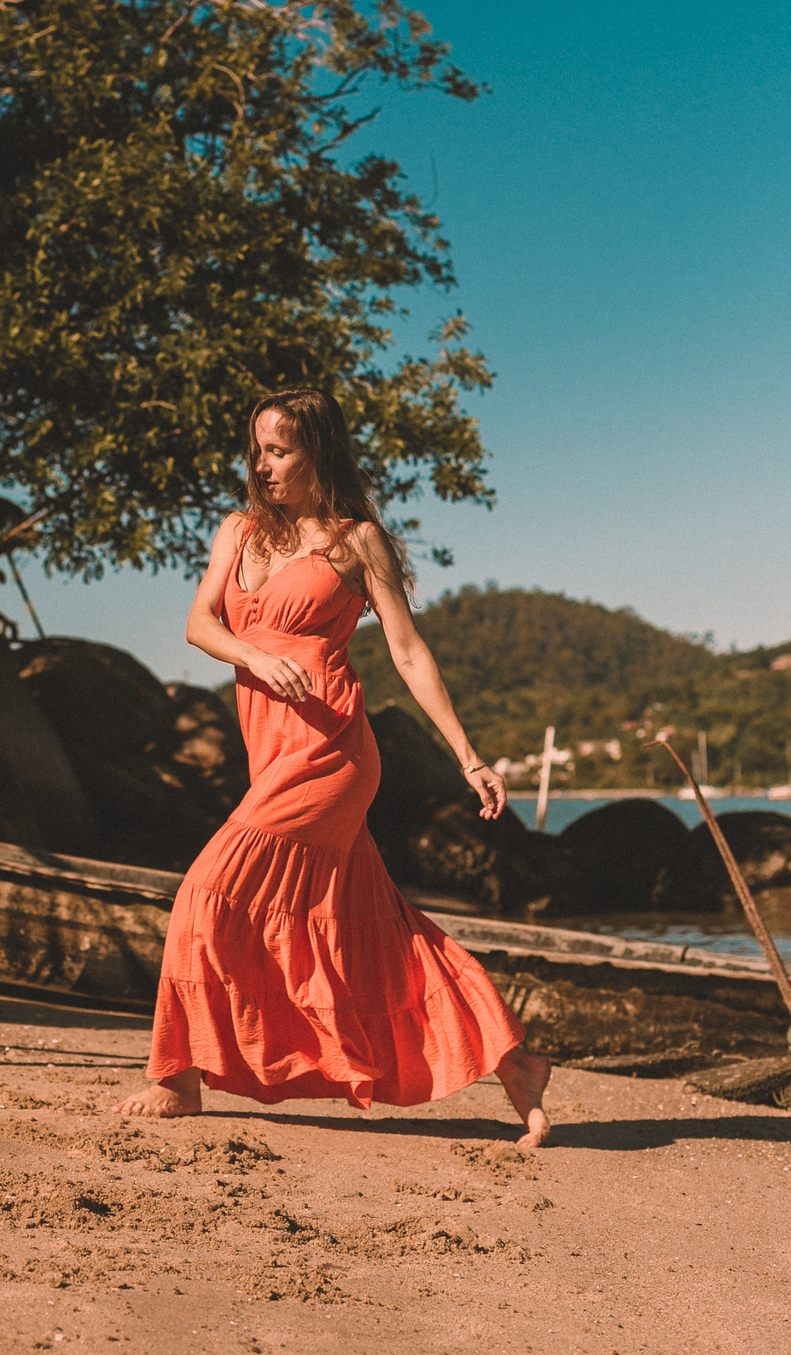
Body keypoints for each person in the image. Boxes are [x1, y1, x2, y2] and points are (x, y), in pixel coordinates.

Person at [113, 388, 551, 1148]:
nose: (263, 465)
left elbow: (409, 653)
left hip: (332, 754)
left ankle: (180, 1079)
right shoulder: (238, 532)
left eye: (280, 450)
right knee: (378, 932)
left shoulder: (357, 543)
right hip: (271, 751)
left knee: (205, 892)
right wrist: (255, 656)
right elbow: (199, 624)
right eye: (258, 449)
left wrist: (468, 757)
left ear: (320, 454)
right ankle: (515, 1062)